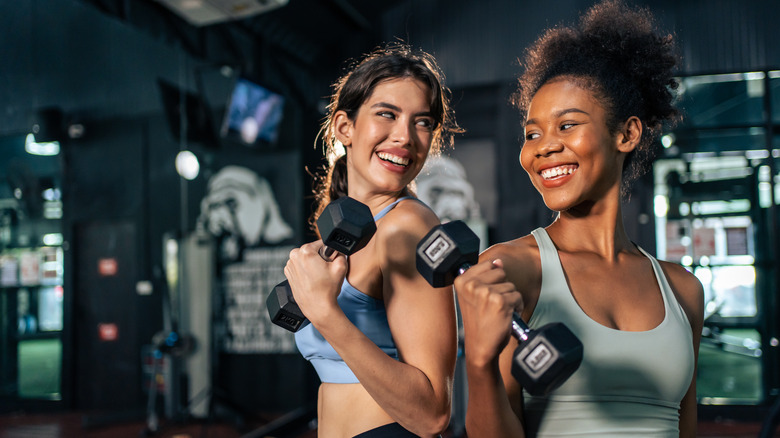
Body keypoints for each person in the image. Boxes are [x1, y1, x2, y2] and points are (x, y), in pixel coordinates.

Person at [453, 1, 704, 437]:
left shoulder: (683, 290)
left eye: (567, 125)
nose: (543, 148)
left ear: (626, 134)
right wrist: (478, 362)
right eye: (532, 133)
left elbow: (686, 428)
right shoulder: (511, 269)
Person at [283, 42, 462, 438]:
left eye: (423, 122)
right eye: (387, 114)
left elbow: (432, 413)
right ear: (344, 127)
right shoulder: (347, 228)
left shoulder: (407, 226)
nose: (405, 136)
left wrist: (325, 313)